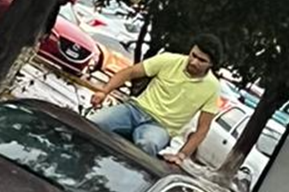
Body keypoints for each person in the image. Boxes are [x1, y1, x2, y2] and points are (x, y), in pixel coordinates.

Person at [89, 35, 222, 163]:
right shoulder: (169, 60)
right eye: (193, 55)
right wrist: (104, 91)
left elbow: (203, 128)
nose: (194, 62)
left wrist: (181, 155)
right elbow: (130, 72)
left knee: (147, 145)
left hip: (161, 127)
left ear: (211, 64)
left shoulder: (212, 87)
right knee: (96, 122)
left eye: (201, 61)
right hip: (135, 110)